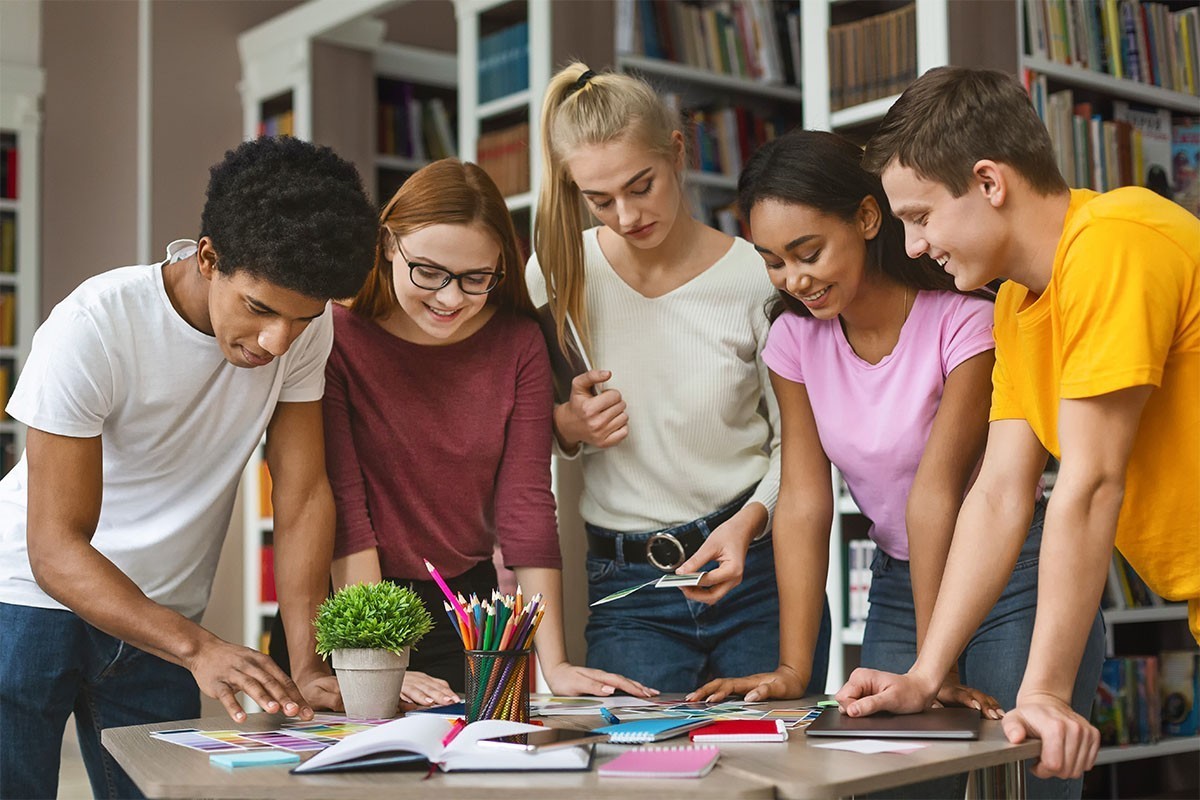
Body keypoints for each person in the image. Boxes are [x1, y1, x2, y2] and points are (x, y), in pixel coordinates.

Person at [688, 129, 1105, 799]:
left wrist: (929, 666)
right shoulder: (794, 338)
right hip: (898, 584)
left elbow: (936, 492)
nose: (795, 280)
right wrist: (796, 670)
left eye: (808, 252)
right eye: (773, 262)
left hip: (1015, 580)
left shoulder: (964, 320)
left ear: (866, 217)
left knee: (1021, 785)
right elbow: (802, 498)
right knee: (887, 784)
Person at [835, 65, 1200, 782]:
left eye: (919, 216)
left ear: (989, 183)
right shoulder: (1016, 305)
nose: (912, 247)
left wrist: (1044, 692)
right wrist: (925, 671)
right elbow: (1001, 494)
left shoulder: (1111, 244)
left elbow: (1092, 485)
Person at [0, 136, 378, 799]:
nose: (277, 342)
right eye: (259, 309)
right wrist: (199, 648)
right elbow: (55, 547)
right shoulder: (94, 325)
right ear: (208, 257)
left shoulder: (301, 329)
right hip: (26, 605)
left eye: (301, 319)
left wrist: (308, 660)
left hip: (162, 613)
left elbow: (304, 496)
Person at [529, 62, 831, 693]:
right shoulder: (555, 273)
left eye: (641, 186)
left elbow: (799, 447)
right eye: (599, 199)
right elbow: (519, 433)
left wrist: (750, 520)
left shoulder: (757, 275)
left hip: (756, 573)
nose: (626, 214)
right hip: (628, 589)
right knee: (638, 783)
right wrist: (565, 424)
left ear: (676, 150)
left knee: (775, 782)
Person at [311, 158, 652, 704]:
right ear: (386, 244)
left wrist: (556, 663)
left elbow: (525, 505)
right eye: (428, 272)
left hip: (465, 612)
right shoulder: (334, 337)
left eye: (476, 279)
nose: (451, 299)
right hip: (352, 614)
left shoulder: (517, 344)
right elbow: (345, 510)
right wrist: (376, 651)